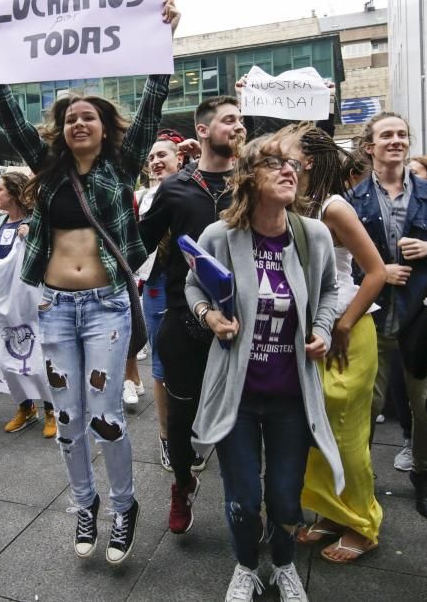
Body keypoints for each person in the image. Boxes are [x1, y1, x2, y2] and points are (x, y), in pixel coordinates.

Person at [0, 0, 179, 564]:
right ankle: (84, 505)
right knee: (68, 420)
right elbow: (8, 113)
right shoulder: (48, 171)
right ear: (61, 132)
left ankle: (124, 506)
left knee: (107, 416)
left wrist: (163, 37)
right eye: (70, 119)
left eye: (88, 116)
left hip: (108, 306)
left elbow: (154, 99)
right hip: (57, 307)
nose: (79, 123)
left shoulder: (121, 164)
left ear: (102, 126)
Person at [187, 133, 342, 602]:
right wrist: (209, 316)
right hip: (236, 392)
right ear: (248, 176)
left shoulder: (313, 235)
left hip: (291, 394)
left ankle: (283, 564)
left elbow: (331, 290)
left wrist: (322, 327)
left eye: (294, 164)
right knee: (240, 498)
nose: (290, 170)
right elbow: (193, 289)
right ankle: (246, 566)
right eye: (275, 163)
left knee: (284, 497)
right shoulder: (219, 235)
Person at [139, 94, 246, 534]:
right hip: (185, 316)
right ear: (202, 131)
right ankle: (182, 484)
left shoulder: (253, 183)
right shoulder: (175, 189)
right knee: (181, 421)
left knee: (246, 418)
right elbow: (136, 245)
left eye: (241, 120)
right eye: (228, 120)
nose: (237, 127)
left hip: (246, 319)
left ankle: (245, 501)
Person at [281, 124, 386, 564]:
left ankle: (362, 524)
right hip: (309, 333)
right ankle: (330, 511)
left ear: (305, 159)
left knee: (344, 433)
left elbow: (376, 272)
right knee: (312, 429)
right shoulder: (286, 201)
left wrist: (343, 325)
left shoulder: (333, 207)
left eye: (281, 150)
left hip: (348, 331)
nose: (272, 154)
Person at [348, 111, 427, 520]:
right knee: (366, 406)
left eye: (402, 134)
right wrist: (377, 273)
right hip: (372, 318)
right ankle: (363, 478)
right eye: (387, 135)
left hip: (419, 317)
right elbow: (342, 262)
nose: (396, 140)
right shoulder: (354, 198)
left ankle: (423, 473)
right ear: (369, 146)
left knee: (425, 406)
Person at [133, 130, 185, 461]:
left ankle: (191, 428)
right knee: (162, 363)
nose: (155, 161)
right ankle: (167, 435)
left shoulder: (195, 188)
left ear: (180, 159)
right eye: (151, 157)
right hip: (156, 284)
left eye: (162, 155)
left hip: (191, 282)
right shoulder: (142, 197)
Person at [0, 171, 56, 436]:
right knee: (5, 356)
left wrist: (31, 238)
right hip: (3, 303)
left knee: (38, 355)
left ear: (15, 193)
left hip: (30, 303)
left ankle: (52, 408)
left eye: (0, 189)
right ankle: (25, 406)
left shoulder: (34, 223)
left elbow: (49, 257)